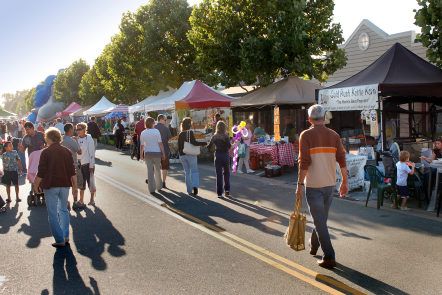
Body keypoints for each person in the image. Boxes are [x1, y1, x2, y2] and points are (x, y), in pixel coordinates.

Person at [296, 104, 348, 269]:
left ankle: (329, 256)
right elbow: (342, 160)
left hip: (313, 185)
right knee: (321, 220)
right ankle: (313, 246)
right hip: (330, 184)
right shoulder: (334, 135)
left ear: (309, 119)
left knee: (319, 221)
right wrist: (345, 182)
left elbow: (304, 163)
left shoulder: (306, 135)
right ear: (324, 118)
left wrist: (299, 185)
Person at [33, 127, 77, 248]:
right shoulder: (66, 151)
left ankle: (59, 239)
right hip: (65, 185)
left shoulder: (45, 152)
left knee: (52, 214)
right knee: (63, 210)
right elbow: (72, 171)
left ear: (48, 138)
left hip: (51, 185)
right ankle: (66, 236)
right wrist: (75, 187)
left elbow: (41, 171)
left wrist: (35, 185)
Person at [178, 117, 207, 195]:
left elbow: (179, 146)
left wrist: (181, 155)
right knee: (194, 171)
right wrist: (203, 143)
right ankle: (195, 187)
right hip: (190, 154)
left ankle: (189, 190)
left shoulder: (180, 134)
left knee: (187, 173)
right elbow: (194, 143)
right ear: (189, 124)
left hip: (182, 155)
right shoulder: (189, 132)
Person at [140, 117, 166, 194]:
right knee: (157, 170)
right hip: (157, 153)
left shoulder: (143, 132)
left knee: (150, 172)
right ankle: (159, 187)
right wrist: (163, 153)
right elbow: (160, 143)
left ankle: (151, 189)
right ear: (152, 123)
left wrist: (141, 155)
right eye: (154, 123)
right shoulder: (156, 131)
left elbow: (142, 146)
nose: (154, 124)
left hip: (148, 154)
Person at [207, 121, 231, 198]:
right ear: (224, 127)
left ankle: (219, 193)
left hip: (217, 155)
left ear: (217, 127)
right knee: (226, 174)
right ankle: (227, 191)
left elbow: (209, 147)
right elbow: (229, 146)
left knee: (219, 175)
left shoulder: (214, 136)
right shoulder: (226, 136)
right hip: (225, 155)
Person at [61, 123, 82, 210]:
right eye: (73, 129)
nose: (74, 130)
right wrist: (76, 141)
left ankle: (65, 202)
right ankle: (75, 202)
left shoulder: (61, 140)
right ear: (70, 130)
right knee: (74, 184)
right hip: (72, 165)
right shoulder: (72, 140)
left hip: (62, 166)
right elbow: (79, 151)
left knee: (64, 186)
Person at [75, 122, 96, 208]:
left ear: (84, 129)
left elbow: (92, 153)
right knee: (81, 183)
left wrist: (92, 165)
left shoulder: (89, 138)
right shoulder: (76, 139)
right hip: (79, 164)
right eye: (77, 129)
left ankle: (92, 200)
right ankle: (81, 200)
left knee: (90, 182)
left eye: (80, 129)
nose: (78, 131)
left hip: (88, 164)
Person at [155, 114, 172, 188]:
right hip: (165, 150)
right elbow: (169, 139)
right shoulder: (166, 129)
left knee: (156, 167)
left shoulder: (154, 128)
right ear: (161, 119)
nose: (165, 121)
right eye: (165, 120)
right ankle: (164, 182)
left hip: (155, 151)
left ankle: (158, 181)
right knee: (164, 167)